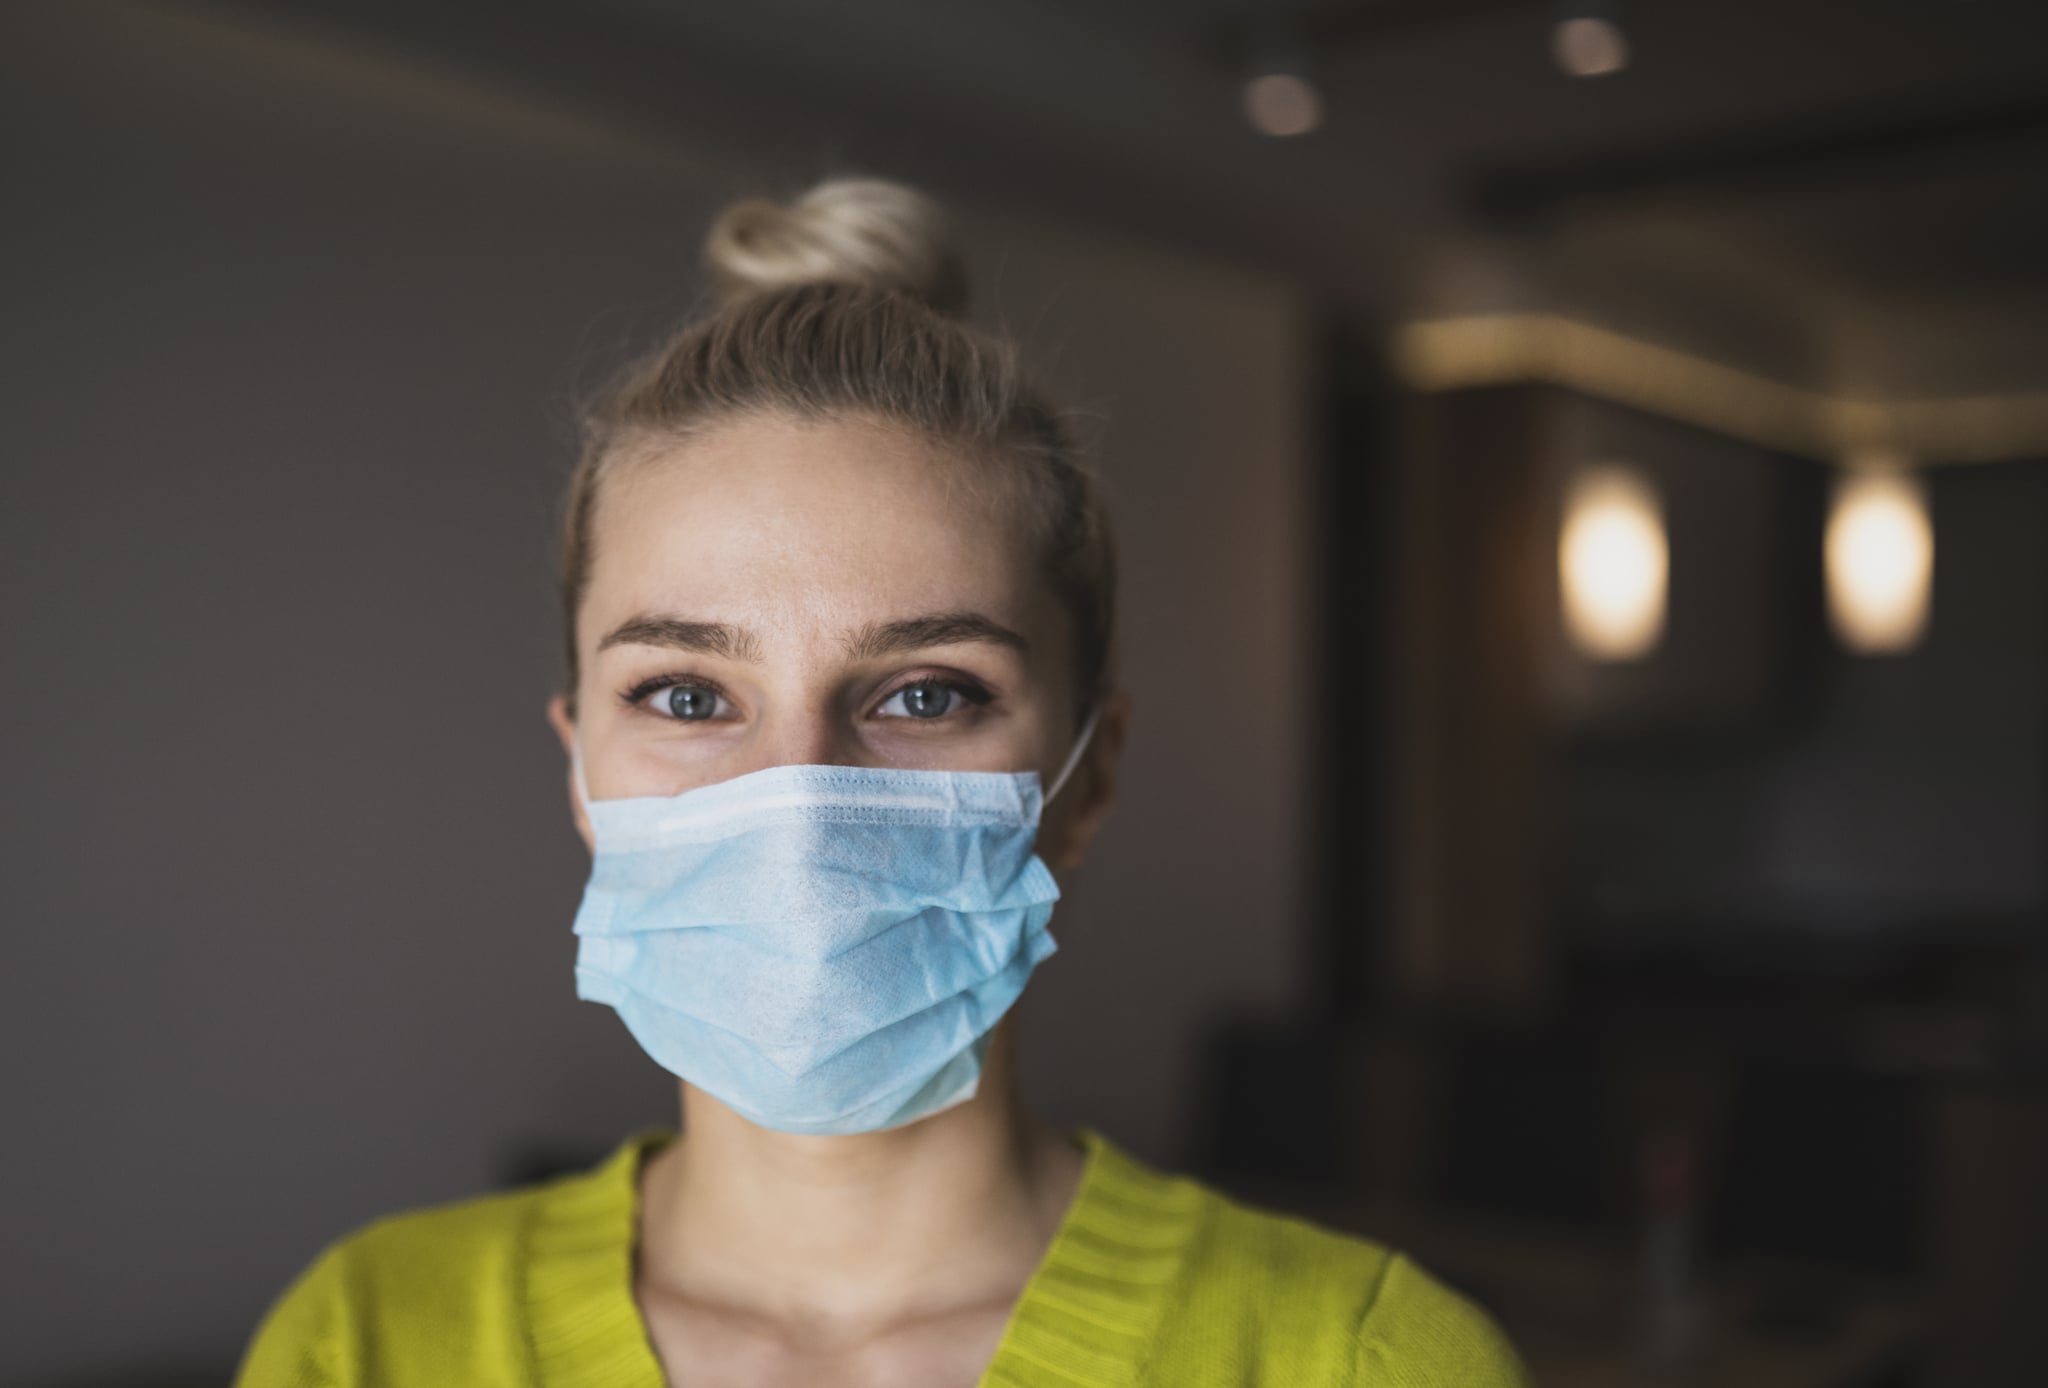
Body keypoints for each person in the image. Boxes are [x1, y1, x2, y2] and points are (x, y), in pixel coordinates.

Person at [233, 177, 1528, 1387]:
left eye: (925, 693)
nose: (800, 801)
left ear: (1088, 778)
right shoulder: (365, 1342)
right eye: (686, 696)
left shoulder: (1366, 1360)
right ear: (582, 770)